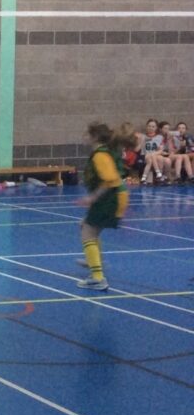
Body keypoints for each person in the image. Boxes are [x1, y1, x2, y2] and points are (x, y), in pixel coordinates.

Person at [76, 122, 130, 292]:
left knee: (88, 232)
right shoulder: (105, 151)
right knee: (86, 226)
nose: (84, 136)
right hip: (112, 196)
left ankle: (98, 278)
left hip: (111, 197)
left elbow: (110, 179)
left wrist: (92, 198)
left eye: (87, 133)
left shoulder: (100, 155)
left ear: (95, 137)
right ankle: (94, 260)